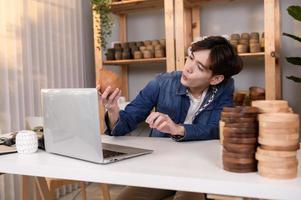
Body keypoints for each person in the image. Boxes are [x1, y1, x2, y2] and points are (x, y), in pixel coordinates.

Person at [97, 36, 243, 200]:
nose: (188, 68)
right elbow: (125, 124)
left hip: (200, 167)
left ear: (216, 79)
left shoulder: (224, 88)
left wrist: (178, 129)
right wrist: (112, 109)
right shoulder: (162, 83)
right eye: (191, 58)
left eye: (199, 67)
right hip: (161, 166)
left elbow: (217, 128)